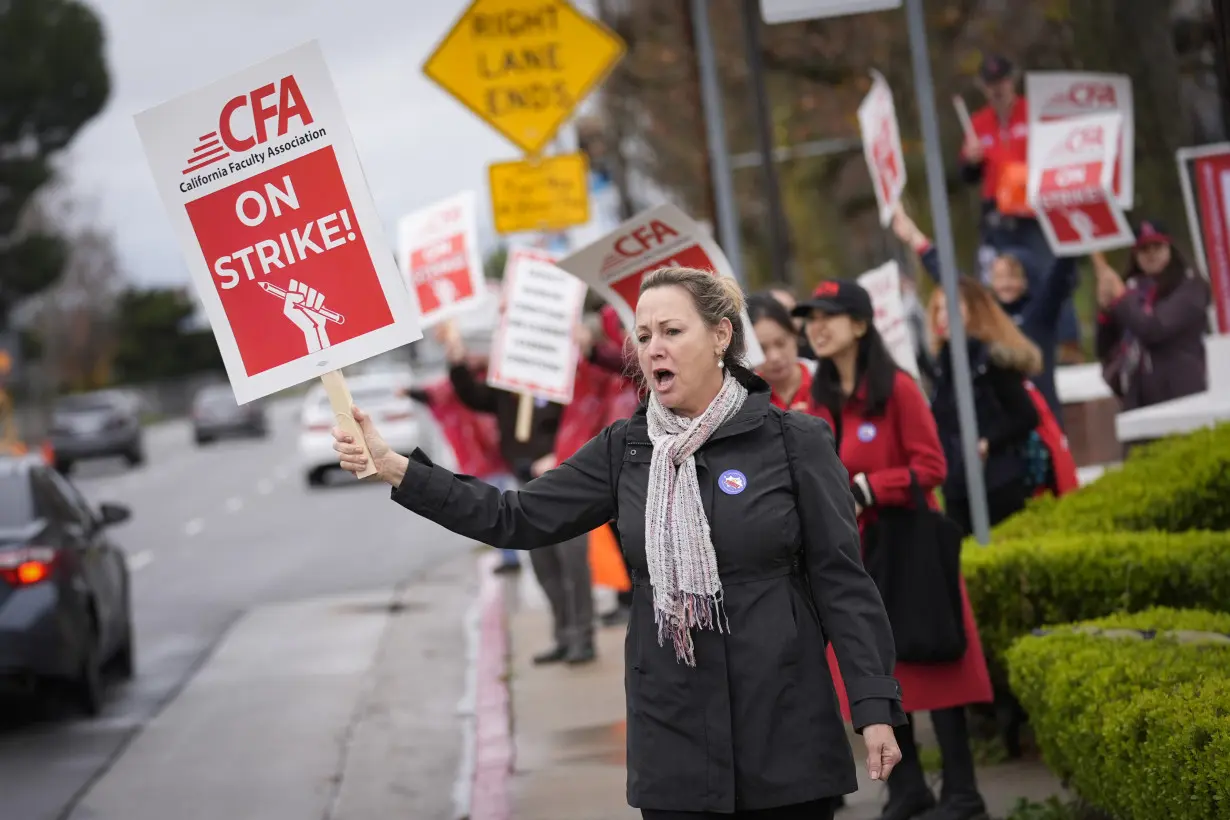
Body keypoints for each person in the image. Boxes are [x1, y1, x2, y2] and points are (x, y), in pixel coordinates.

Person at [333, 267, 906, 819]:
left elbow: (841, 580)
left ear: (720, 336)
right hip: (675, 740)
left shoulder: (794, 441)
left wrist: (874, 705)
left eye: (672, 332)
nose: (653, 347)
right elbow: (515, 517)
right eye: (644, 335)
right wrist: (397, 468)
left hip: (785, 726)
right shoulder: (625, 450)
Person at [794, 280, 993, 820]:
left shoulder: (898, 388)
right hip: (856, 553)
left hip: (911, 546)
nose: (817, 326)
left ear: (860, 324)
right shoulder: (821, 398)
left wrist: (869, 487)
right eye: (810, 317)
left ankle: (962, 793)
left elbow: (933, 467)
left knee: (935, 660)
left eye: (829, 315)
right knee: (875, 667)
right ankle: (906, 789)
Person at [438, 320, 596, 665]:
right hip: (527, 487)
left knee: (573, 566)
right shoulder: (508, 388)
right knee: (544, 565)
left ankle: (583, 638)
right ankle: (563, 635)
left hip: (566, 485)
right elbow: (472, 396)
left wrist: (559, 455)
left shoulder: (562, 382)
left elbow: (585, 419)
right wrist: (457, 361)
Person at [892, 203, 1076, 422]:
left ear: (1028, 279)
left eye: (1012, 276)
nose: (1004, 284)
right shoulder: (987, 314)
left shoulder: (1039, 313)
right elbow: (953, 282)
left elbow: (1059, 275)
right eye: (998, 277)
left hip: (1042, 421)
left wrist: (1073, 226)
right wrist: (914, 237)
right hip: (1000, 431)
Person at [959, 54, 1083, 367]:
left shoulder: (1035, 113)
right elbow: (967, 176)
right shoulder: (978, 123)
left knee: (1050, 269)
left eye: (1001, 82)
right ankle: (997, 345)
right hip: (997, 212)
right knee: (992, 276)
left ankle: (1067, 344)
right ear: (983, 87)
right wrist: (970, 160)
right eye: (990, 84)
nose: (997, 89)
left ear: (1011, 81)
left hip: (1035, 208)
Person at [926, 279, 1042, 534]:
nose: (943, 317)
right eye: (939, 309)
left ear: (973, 311)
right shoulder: (941, 364)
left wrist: (988, 441)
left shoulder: (989, 360)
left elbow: (1026, 416)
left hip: (997, 482)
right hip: (956, 485)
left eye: (951, 308)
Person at [1094, 219, 1211, 412]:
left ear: (1169, 248)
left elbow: (1154, 329)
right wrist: (1106, 312)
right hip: (1136, 396)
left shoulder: (1189, 287)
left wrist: (1121, 299)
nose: (1151, 254)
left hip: (1180, 393)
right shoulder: (1130, 289)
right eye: (1144, 249)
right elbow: (1103, 349)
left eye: (1157, 246)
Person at [748, 293, 813, 411]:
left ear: (794, 334)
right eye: (762, 349)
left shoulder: (824, 379)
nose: (774, 357)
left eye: (781, 343)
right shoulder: (746, 400)